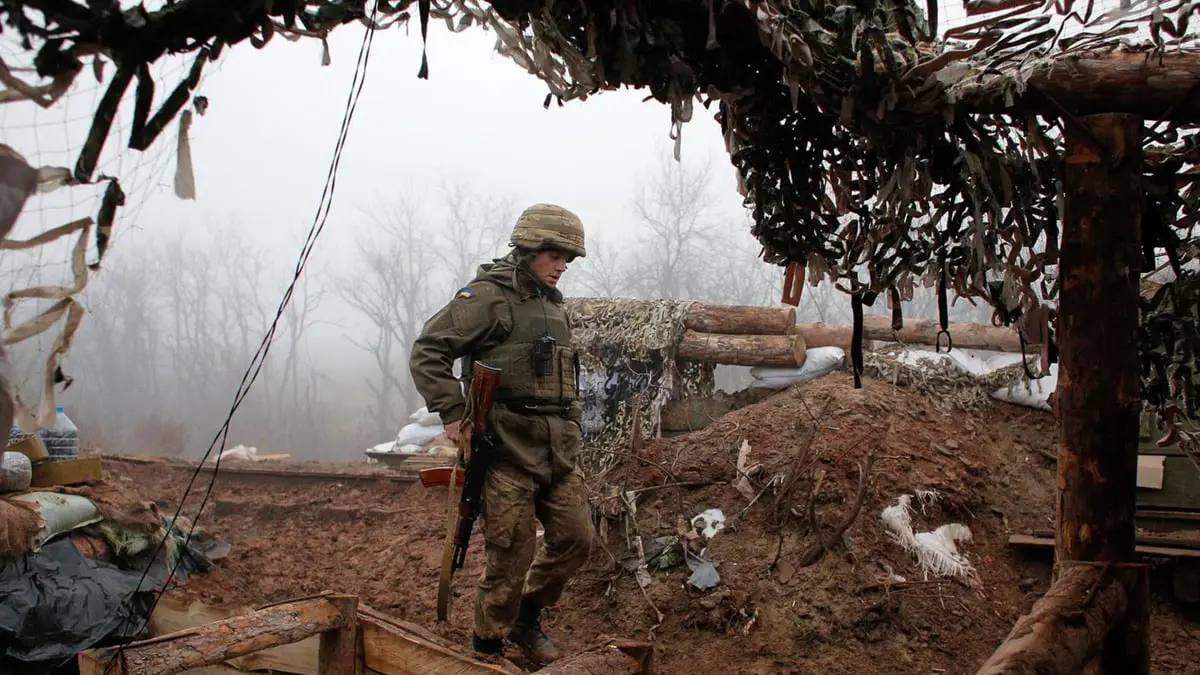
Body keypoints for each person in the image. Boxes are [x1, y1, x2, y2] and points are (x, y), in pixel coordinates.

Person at [408, 203, 594, 664]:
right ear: (531, 249)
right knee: (510, 551)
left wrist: (572, 421)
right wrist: (453, 414)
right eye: (556, 255)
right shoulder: (490, 297)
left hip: (557, 450)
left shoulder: (552, 304)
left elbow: (562, 376)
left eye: (568, 257)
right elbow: (429, 351)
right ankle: (487, 646)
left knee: (577, 538)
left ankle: (526, 618)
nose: (563, 265)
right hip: (506, 446)